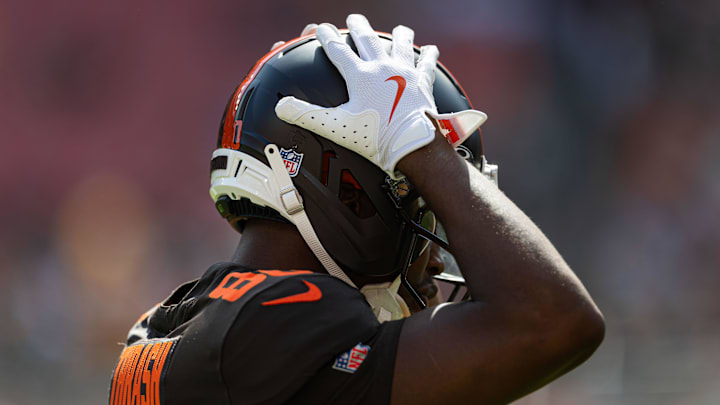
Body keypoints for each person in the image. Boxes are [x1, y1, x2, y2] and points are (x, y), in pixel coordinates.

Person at [109, 14, 604, 405]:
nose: (437, 258)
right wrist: (424, 150)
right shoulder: (290, 321)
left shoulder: (164, 326)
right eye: (429, 204)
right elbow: (554, 322)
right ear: (351, 193)